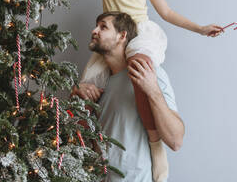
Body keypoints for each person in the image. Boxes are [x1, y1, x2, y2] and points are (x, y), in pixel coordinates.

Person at [25, 0, 221, 181]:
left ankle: (154, 143)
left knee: (140, 67)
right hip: (114, 36)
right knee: (85, 87)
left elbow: (167, 12)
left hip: (139, 34)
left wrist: (199, 28)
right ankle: (88, 164)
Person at [72, 11, 184, 181]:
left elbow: (175, 140)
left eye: (103, 27)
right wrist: (75, 94)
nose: (94, 31)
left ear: (122, 36)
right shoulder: (97, 84)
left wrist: (152, 89)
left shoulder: (149, 73)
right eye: (96, 26)